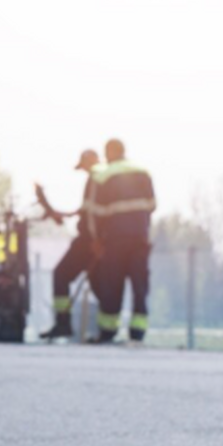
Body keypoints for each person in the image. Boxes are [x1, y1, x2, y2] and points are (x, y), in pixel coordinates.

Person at [88, 139, 156, 343]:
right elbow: (152, 205)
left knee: (111, 285)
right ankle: (138, 332)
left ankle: (108, 331)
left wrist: (97, 240)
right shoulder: (143, 171)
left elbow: (95, 213)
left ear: (109, 152)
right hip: (140, 238)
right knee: (139, 285)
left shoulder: (103, 175)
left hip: (115, 240)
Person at [36, 149, 103, 341]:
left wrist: (95, 239)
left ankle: (63, 323)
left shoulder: (96, 180)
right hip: (95, 240)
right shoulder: (99, 181)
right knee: (99, 284)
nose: (84, 170)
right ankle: (106, 329)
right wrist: (63, 214)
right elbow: (86, 211)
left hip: (89, 241)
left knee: (61, 275)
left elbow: (93, 215)